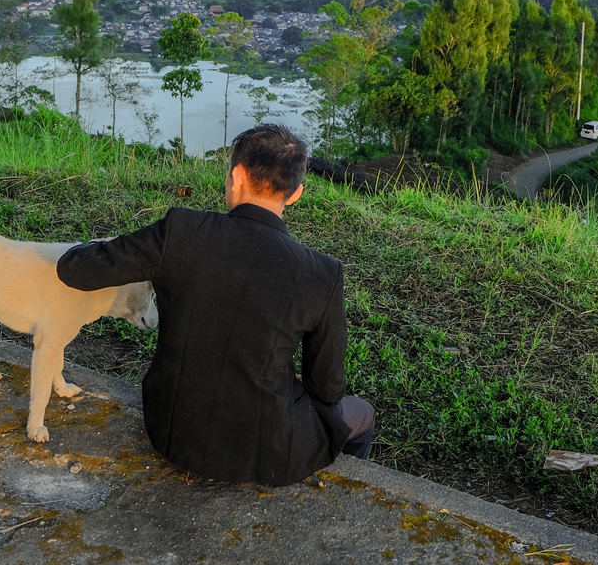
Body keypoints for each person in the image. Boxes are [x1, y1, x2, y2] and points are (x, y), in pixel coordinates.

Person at [55, 124, 374, 486]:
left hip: (173, 432)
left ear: (236, 176)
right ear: (296, 193)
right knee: (362, 413)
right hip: (268, 452)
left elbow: (75, 269)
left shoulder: (182, 231)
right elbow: (328, 388)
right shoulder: (322, 273)